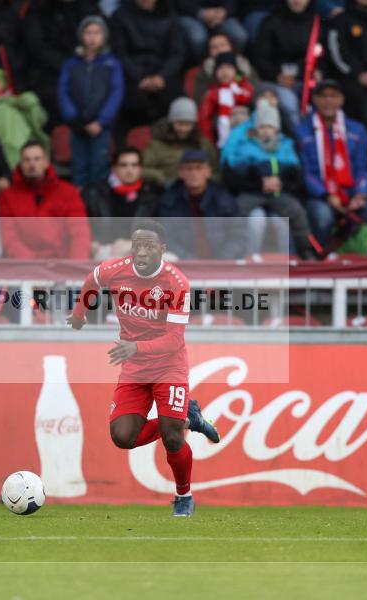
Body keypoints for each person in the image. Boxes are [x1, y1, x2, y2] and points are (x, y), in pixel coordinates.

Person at [66, 219, 221, 517]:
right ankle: (189, 418)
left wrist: (136, 347)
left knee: (172, 437)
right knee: (123, 437)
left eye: (149, 245)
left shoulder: (176, 283)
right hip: (135, 369)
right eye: (137, 245)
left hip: (169, 367)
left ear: (162, 249)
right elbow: (92, 281)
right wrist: (79, 314)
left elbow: (174, 340)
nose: (141, 251)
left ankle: (183, 495)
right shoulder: (114, 270)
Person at [297, 80, 367, 253]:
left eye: (333, 96)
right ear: (314, 99)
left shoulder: (357, 130)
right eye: (323, 96)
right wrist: (326, 195)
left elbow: (363, 168)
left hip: (351, 194)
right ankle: (320, 260)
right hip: (320, 196)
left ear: (342, 100)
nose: (328, 101)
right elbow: (305, 172)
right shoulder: (302, 130)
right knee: (322, 216)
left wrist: (360, 193)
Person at [221, 101, 315, 259]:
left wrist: (281, 182)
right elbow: (238, 167)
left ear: (277, 129)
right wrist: (258, 182)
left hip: (278, 193)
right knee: (237, 209)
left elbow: (294, 170)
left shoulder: (285, 145)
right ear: (255, 129)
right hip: (254, 192)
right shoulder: (247, 145)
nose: (265, 131)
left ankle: (306, 249)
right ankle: (233, 252)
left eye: (270, 127)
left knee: (297, 212)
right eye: (262, 127)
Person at [58, 16, 124, 186]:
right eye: (88, 32)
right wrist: (74, 118)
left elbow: (116, 93)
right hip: (77, 126)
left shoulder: (111, 64)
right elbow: (63, 91)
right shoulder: (71, 64)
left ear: (104, 36)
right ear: (81, 36)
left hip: (101, 127)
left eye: (97, 32)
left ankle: (97, 206)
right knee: (79, 167)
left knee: (98, 167)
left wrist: (102, 121)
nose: (93, 37)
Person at [0, 142, 91, 259]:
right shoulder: (7, 197)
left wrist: (75, 266)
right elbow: (9, 237)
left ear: (46, 162)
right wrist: (31, 263)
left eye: (37, 159)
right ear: (20, 164)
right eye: (27, 160)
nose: (32, 164)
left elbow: (80, 233)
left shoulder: (68, 193)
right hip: (23, 268)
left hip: (62, 265)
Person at [109, 0, 186, 129]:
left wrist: (161, 76)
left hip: (163, 72)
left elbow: (177, 53)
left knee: (174, 98)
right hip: (133, 74)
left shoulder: (170, 15)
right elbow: (120, 53)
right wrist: (139, 77)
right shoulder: (120, 16)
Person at [157, 149, 247, 259]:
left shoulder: (223, 198)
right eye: (189, 169)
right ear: (180, 173)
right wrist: (192, 262)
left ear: (208, 172)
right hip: (184, 266)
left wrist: (220, 262)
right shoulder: (169, 201)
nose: (194, 173)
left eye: (199, 168)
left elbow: (238, 235)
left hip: (223, 265)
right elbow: (166, 239)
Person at [23, 0, 101, 125]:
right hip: (50, 72)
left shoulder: (89, 7)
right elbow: (39, 48)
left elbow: (101, 38)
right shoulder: (38, 10)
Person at [81, 147, 160, 259]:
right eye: (123, 165)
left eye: (134, 165)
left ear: (141, 168)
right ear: (114, 168)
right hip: (105, 250)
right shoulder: (94, 193)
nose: (129, 170)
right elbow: (82, 226)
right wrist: (91, 243)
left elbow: (158, 230)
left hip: (140, 249)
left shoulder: (152, 195)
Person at [252, 0, 315, 132]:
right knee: (290, 102)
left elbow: (322, 54)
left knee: (325, 97)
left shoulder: (317, 23)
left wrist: (318, 71)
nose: (297, 1)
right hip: (276, 81)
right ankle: (299, 140)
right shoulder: (271, 22)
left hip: (307, 78)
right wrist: (277, 76)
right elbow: (261, 58)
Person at [142, 97, 218, 186]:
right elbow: (140, 169)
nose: (183, 129)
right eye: (179, 124)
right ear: (171, 123)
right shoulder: (157, 145)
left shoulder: (204, 144)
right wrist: (159, 176)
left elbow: (216, 172)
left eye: (188, 124)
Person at [198, 53, 254, 149]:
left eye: (229, 68)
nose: (225, 72)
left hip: (246, 133)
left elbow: (249, 100)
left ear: (236, 71)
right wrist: (209, 142)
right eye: (220, 68)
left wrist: (235, 90)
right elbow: (204, 118)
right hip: (220, 134)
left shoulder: (244, 87)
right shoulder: (212, 93)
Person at [192, 33, 260, 112]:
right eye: (214, 47)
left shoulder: (245, 67)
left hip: (246, 110)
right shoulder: (203, 73)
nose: (219, 49)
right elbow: (201, 100)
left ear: (231, 46)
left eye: (223, 45)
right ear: (209, 51)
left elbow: (257, 90)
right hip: (217, 113)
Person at [172, 0, 248, 63]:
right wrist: (202, 13)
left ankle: (234, 65)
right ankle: (203, 67)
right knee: (198, 38)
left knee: (239, 35)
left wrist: (225, 11)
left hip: (222, 15)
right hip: (192, 15)